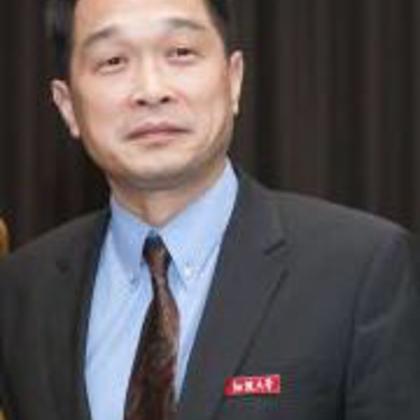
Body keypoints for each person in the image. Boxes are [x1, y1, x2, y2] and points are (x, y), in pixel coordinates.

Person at [1, 0, 419, 419]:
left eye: (180, 52)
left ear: (233, 79)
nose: (151, 90)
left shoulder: (360, 271)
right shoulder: (22, 291)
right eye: (113, 61)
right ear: (67, 105)